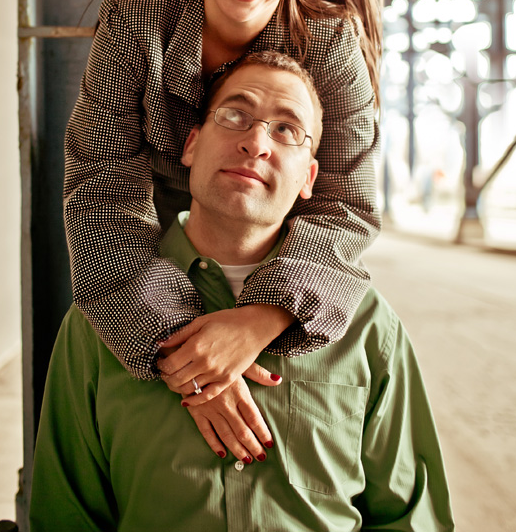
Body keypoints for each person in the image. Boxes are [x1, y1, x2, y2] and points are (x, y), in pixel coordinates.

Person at [64, 0, 400, 446]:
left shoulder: (331, 46)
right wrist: (195, 366)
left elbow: (346, 206)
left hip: (275, 247)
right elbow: (99, 195)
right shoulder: (136, 24)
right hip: (158, 237)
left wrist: (261, 320)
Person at [32, 53, 454, 531]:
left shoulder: (367, 325)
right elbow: (64, 515)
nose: (255, 142)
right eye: (234, 115)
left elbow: (409, 518)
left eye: (287, 130)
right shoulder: (99, 322)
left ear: (308, 180)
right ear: (190, 145)